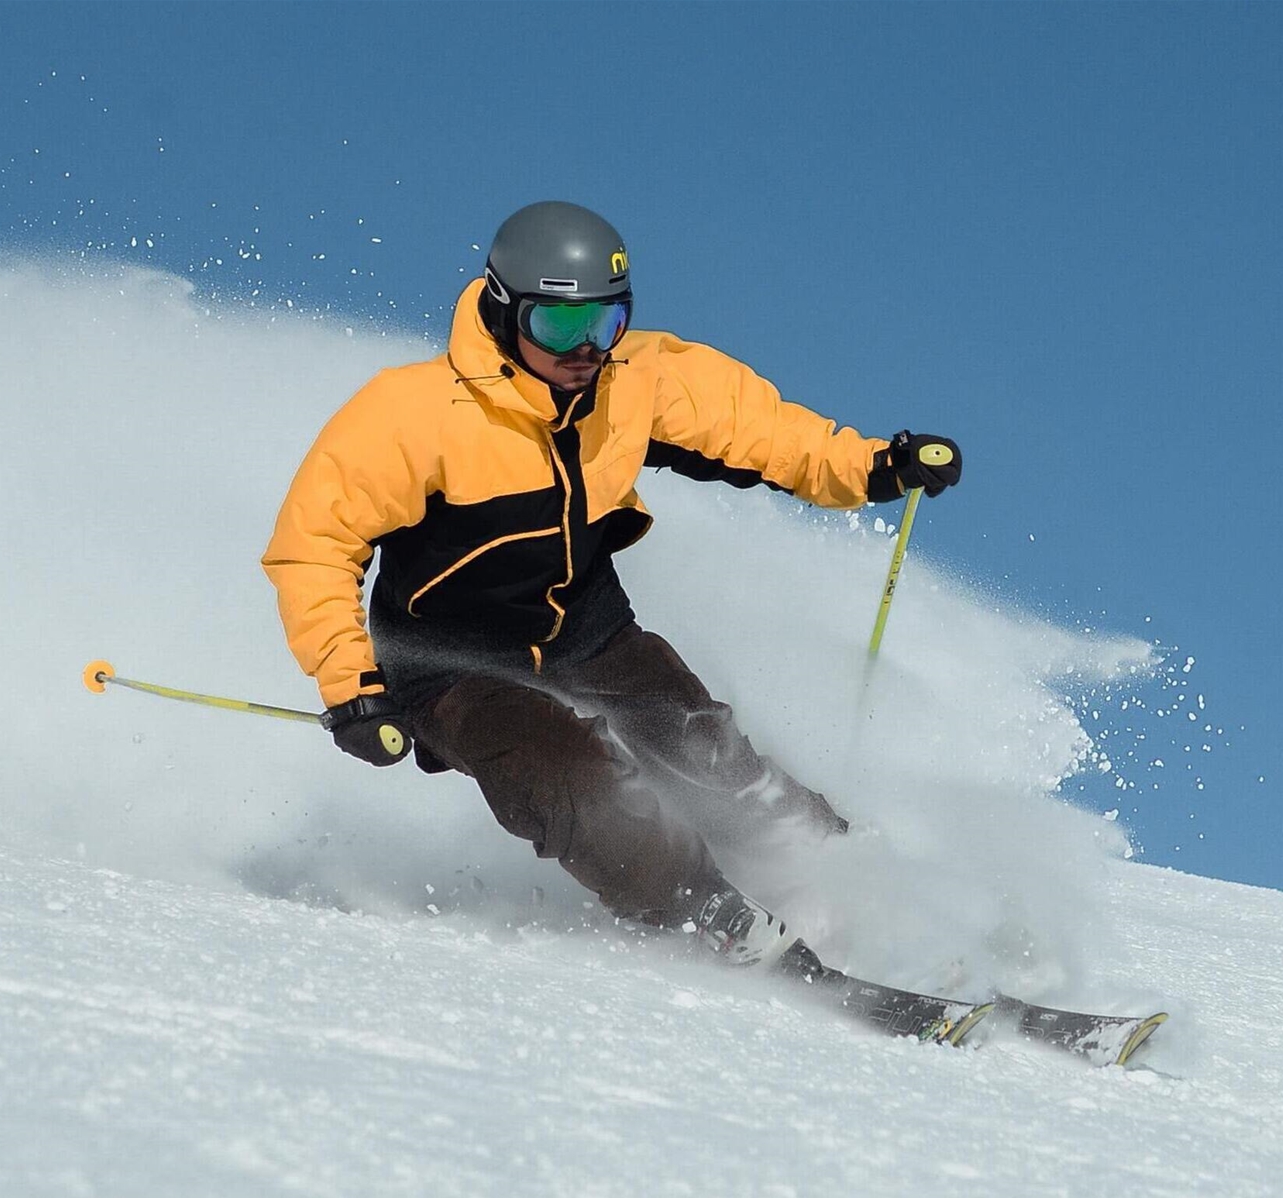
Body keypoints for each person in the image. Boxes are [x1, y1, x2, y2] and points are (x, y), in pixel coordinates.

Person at [262, 201, 961, 968]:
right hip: (447, 664)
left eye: (607, 323)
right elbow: (314, 544)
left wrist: (868, 467)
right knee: (575, 782)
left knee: (705, 753)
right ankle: (713, 917)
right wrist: (351, 688)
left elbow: (759, 430)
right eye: (563, 328)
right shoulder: (412, 415)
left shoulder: (631, 383)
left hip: (585, 632)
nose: (587, 349)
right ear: (504, 311)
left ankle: (850, 885)